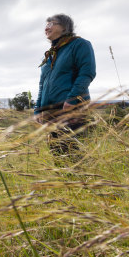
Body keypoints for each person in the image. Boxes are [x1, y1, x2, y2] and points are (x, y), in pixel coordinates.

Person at [34, 13, 96, 162]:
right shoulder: (50, 54)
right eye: (46, 24)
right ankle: (65, 184)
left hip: (70, 109)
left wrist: (72, 100)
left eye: (51, 23)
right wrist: (38, 109)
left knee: (73, 154)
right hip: (50, 112)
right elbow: (42, 85)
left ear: (64, 27)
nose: (46, 27)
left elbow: (87, 73)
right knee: (58, 155)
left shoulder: (79, 44)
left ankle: (84, 184)